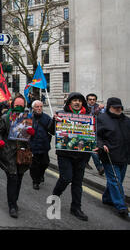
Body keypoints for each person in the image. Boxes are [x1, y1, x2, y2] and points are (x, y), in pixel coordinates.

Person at [52, 92, 91, 221]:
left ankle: (76, 208)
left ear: (82, 103)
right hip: (65, 154)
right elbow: (51, 131)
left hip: (81, 155)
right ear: (69, 102)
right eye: (74, 100)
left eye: (79, 101)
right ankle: (56, 194)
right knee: (66, 178)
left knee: (77, 182)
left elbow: (93, 135)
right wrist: (54, 121)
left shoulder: (88, 117)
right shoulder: (60, 114)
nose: (77, 102)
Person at [0, 95, 32, 218]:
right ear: (12, 105)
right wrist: (0, 141)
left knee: (19, 178)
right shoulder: (5, 117)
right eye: (17, 105)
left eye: (21, 106)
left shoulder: (27, 118)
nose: (19, 108)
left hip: (22, 153)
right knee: (13, 178)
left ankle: (14, 201)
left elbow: (30, 135)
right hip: (8, 152)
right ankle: (12, 205)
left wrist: (32, 132)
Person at [96, 97, 130, 218]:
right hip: (109, 155)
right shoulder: (102, 119)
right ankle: (121, 207)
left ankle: (106, 198)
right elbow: (97, 136)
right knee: (115, 181)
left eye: (119, 107)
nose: (118, 109)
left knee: (117, 181)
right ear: (109, 107)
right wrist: (101, 145)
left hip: (124, 156)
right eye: (115, 107)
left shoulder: (127, 120)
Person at [29, 100, 54, 190]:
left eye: (41, 107)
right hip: (33, 145)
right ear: (33, 108)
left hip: (44, 145)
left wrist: (54, 121)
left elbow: (52, 131)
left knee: (45, 163)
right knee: (34, 165)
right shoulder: (28, 117)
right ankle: (35, 181)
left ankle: (41, 174)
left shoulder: (47, 118)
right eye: (37, 107)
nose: (39, 108)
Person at [85, 93, 105, 175]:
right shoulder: (84, 108)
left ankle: (85, 162)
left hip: (98, 132)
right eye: (90, 99)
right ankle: (99, 167)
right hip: (87, 132)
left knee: (92, 149)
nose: (92, 101)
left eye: (93, 99)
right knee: (93, 150)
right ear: (87, 100)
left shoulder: (101, 108)